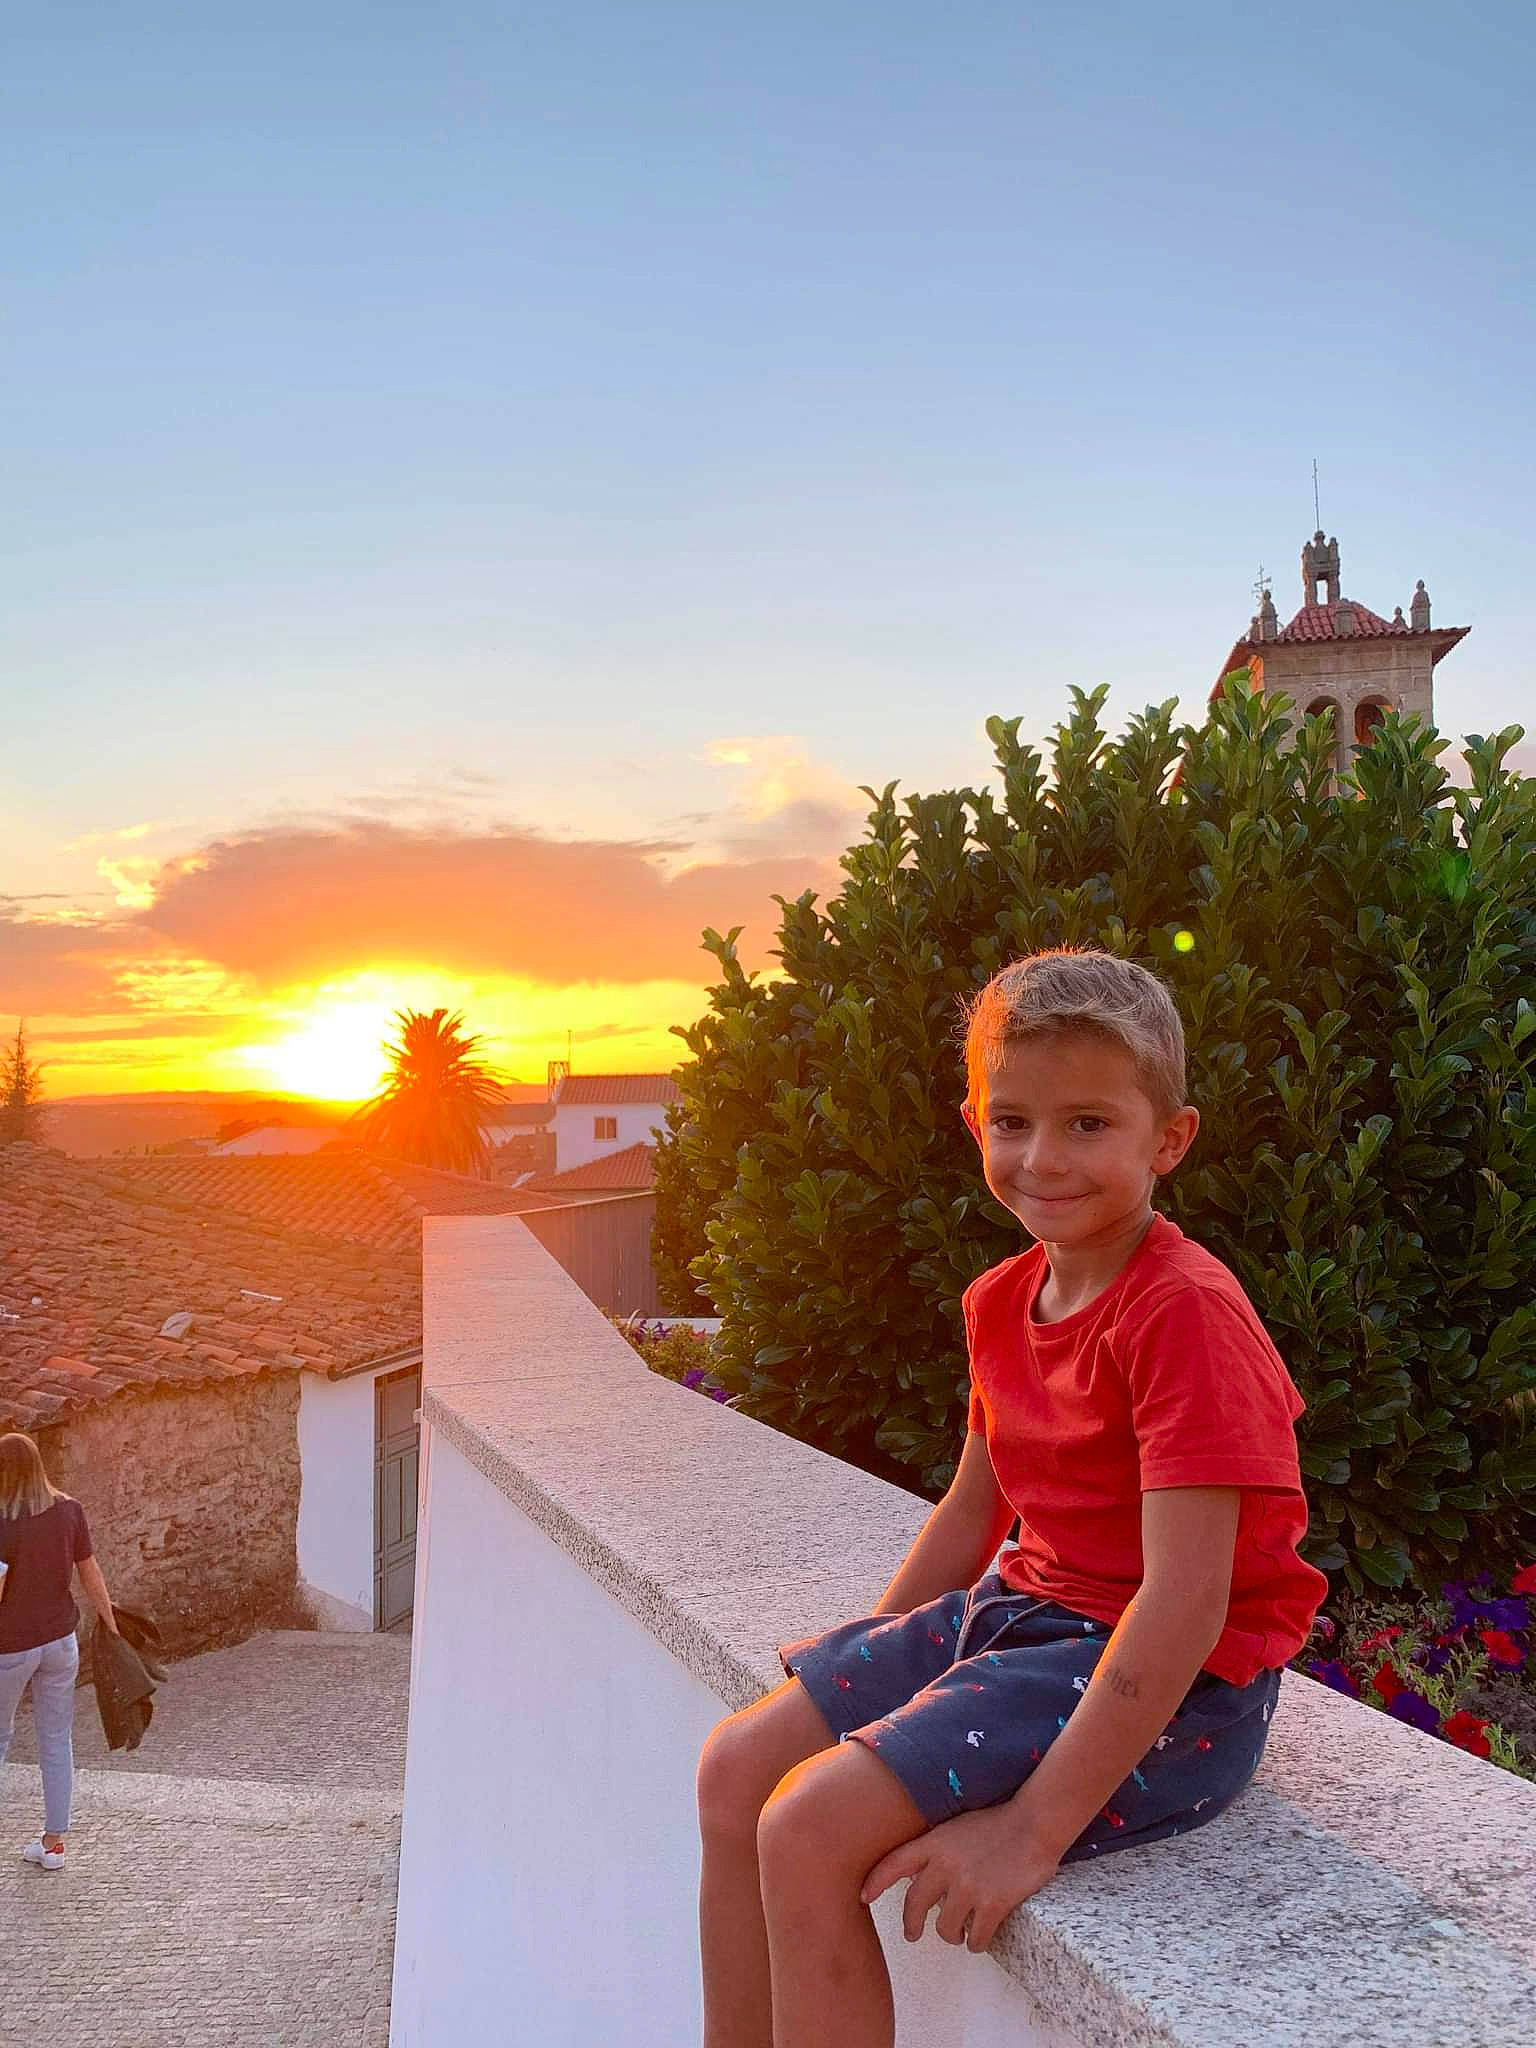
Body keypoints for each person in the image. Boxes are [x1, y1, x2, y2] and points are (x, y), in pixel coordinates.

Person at [696, 948, 1329, 2048]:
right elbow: (971, 1511)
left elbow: (1186, 1599)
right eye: (1013, 1120)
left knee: (806, 1826)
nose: (1045, 1156)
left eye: (1089, 1122)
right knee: (737, 1766)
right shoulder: (1001, 1298)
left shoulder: (1182, 1313)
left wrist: (1031, 1830)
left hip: (1178, 1690)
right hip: (1024, 1620)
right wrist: (874, 1660)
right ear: (974, 1122)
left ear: (1168, 1138)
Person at [0, 1431, 119, 1871]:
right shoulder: (69, 1511)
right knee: (55, 1739)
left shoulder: (1, 1522)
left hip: (9, 1647)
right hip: (60, 1643)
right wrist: (110, 1625)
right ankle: (53, 1845)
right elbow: (91, 1574)